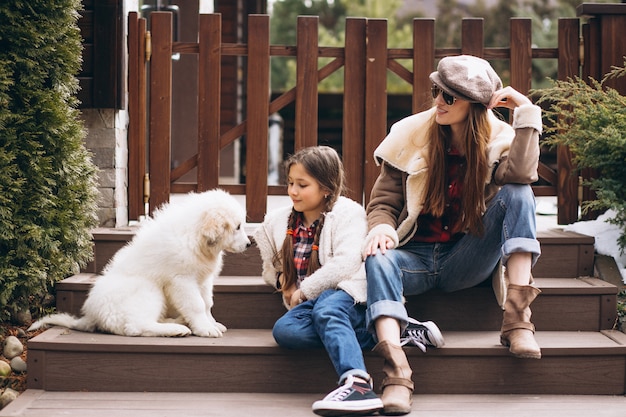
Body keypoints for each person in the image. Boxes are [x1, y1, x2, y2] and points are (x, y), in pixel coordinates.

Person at [363, 55, 543, 415]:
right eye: (436, 92)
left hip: (465, 260)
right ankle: (397, 375)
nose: (438, 102)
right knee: (378, 258)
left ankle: (518, 320)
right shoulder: (410, 135)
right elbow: (383, 201)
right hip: (412, 259)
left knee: (520, 193)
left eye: (450, 97)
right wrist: (381, 226)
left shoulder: (498, 138)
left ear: (475, 106)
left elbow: (522, 174)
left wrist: (525, 112)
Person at [254, 146, 384, 416]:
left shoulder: (348, 213)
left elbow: (347, 263)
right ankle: (382, 333)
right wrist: (282, 281)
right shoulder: (279, 221)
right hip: (310, 304)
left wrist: (304, 291)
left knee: (328, 308)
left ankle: (357, 383)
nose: (292, 191)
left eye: (302, 185)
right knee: (286, 331)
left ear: (326, 187)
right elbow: (271, 267)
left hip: (347, 291)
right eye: (290, 183)